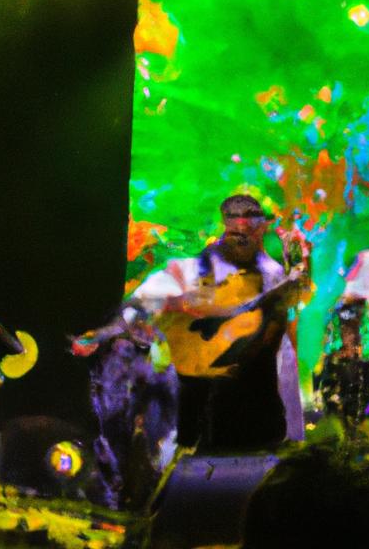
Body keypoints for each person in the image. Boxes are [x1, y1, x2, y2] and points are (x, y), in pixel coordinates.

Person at [74, 194, 304, 454]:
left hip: (257, 416)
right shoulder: (192, 271)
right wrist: (100, 335)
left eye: (249, 230)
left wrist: (295, 435)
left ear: (262, 228)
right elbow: (139, 306)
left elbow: (286, 357)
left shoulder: (273, 276)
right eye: (235, 230)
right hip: (198, 406)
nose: (242, 236)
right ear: (223, 227)